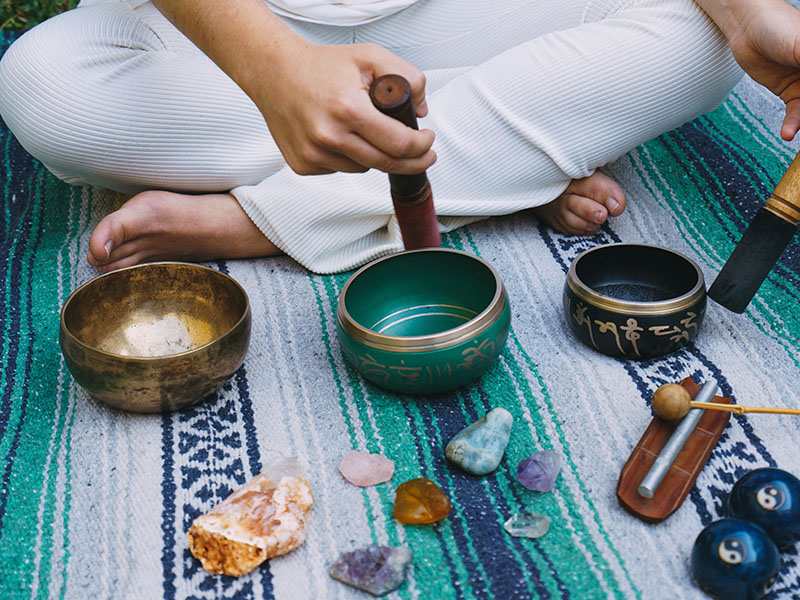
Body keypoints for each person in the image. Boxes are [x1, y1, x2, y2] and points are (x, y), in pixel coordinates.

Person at [0, 0, 795, 274]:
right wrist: (273, 69)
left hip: (473, 16)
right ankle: (524, 143)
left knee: (717, 40)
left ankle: (269, 219)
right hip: (242, 22)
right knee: (48, 90)